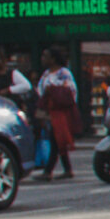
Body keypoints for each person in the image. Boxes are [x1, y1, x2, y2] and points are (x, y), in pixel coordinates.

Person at [35, 49, 76, 180]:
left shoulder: (64, 73)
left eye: (45, 56)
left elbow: (70, 91)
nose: (43, 58)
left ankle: (48, 171)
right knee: (58, 139)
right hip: (49, 111)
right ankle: (67, 169)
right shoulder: (46, 74)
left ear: (53, 59)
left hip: (60, 112)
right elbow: (40, 91)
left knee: (55, 138)